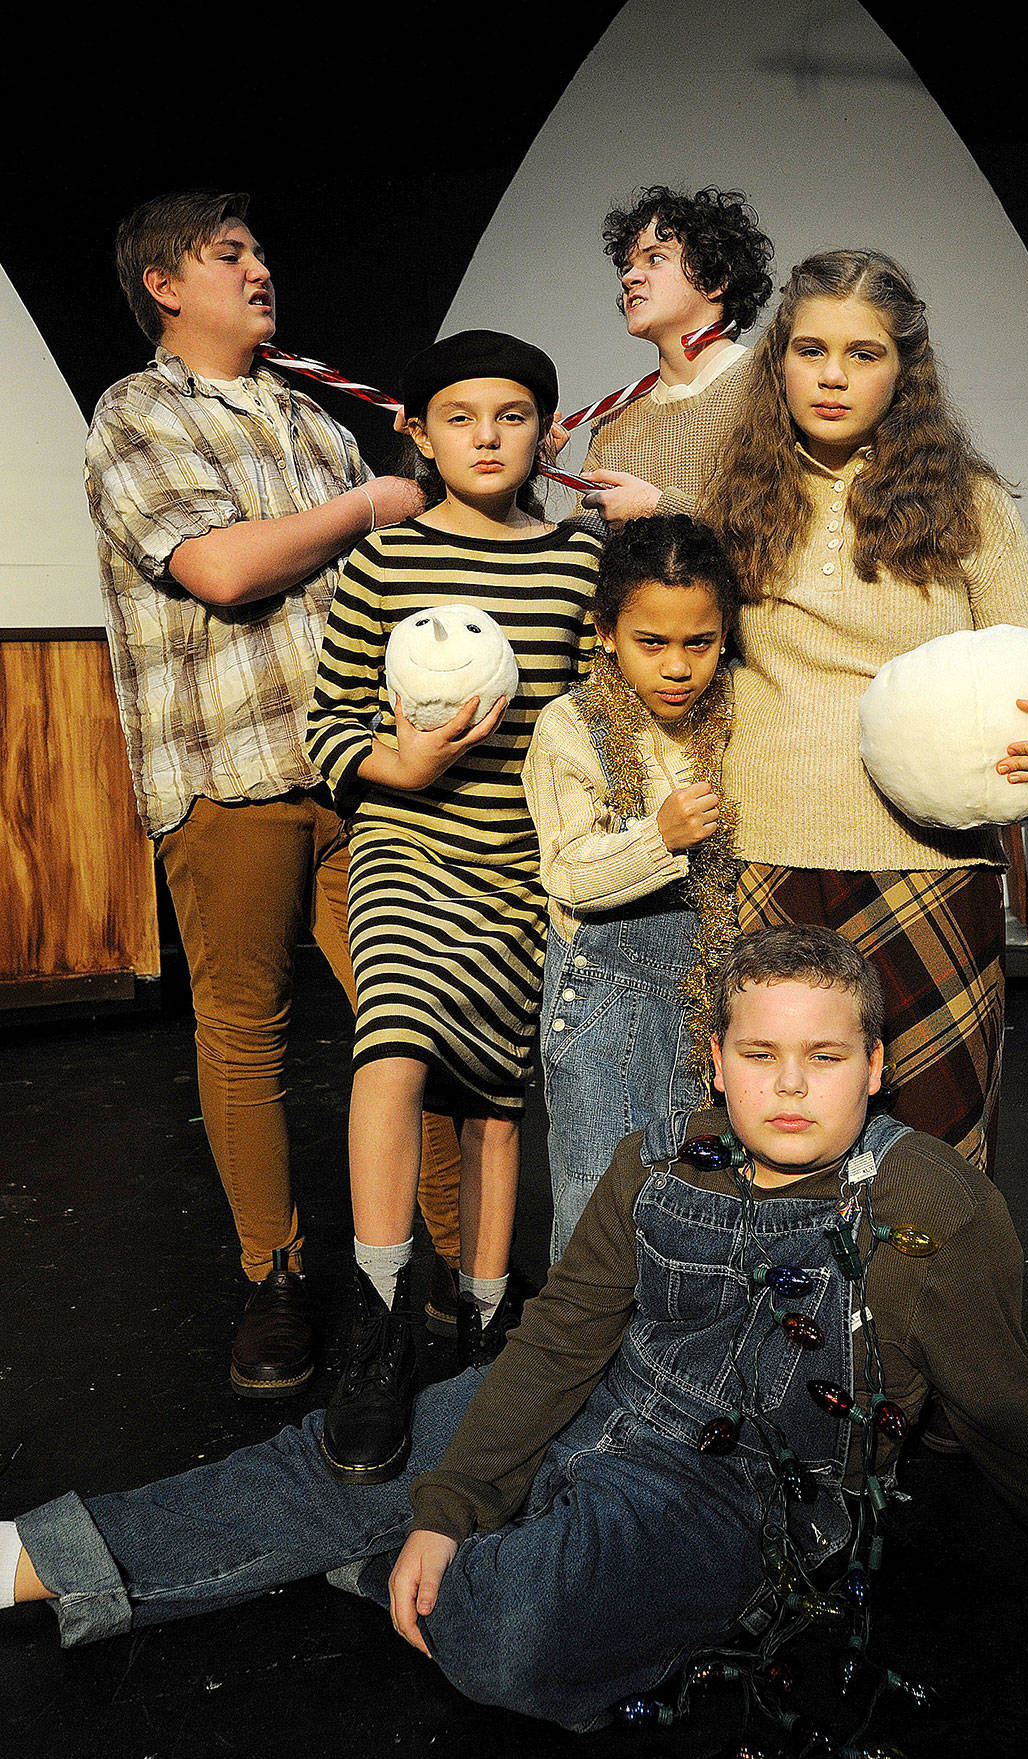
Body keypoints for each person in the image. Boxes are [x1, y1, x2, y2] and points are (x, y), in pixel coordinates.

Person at [2, 928, 1028, 1738]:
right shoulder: (656, 1159)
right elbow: (552, 1345)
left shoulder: (924, 1201)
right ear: (715, 1059)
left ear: (875, 1065)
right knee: (341, 1463)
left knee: (518, 1635)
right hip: (599, 1404)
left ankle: (398, 1568)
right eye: (759, 1056)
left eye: (824, 1056)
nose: (791, 1084)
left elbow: (998, 1398)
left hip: (738, 1490)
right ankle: (33, 1556)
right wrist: (447, 1500)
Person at [85, 189, 461, 1401]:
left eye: (259, 254)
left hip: (357, 770)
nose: (259, 272)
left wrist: (430, 467)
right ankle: (276, 1277)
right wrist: (369, 501)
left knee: (415, 1014)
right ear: (163, 284)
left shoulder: (310, 419)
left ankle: (456, 1265)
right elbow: (224, 566)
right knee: (243, 1031)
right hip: (226, 771)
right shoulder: (136, 414)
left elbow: (389, 575)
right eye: (228, 254)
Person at [700, 249, 1028, 1177]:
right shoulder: (734, 498)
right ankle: (795, 1329)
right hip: (766, 853)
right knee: (777, 1150)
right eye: (810, 349)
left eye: (864, 353)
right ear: (777, 357)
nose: (831, 375)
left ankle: (915, 1329)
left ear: (906, 370)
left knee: (933, 1152)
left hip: (927, 864)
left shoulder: (965, 503)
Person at [304, 330, 600, 1482]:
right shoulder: (385, 560)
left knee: (494, 1098)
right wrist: (404, 764)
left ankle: (481, 1324)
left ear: (546, 431)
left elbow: (589, 722)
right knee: (393, 1045)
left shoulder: (576, 563)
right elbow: (327, 724)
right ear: (417, 434)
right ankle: (376, 1321)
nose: (487, 436)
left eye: (512, 415)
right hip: (409, 851)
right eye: (461, 416)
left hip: (524, 869)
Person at [522, 513, 740, 1258]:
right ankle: (580, 1370)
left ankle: (672, 1368)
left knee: (694, 1198)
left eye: (698, 643)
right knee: (598, 1204)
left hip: (703, 995)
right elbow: (567, 870)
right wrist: (659, 837)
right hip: (606, 1003)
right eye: (652, 643)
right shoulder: (571, 726)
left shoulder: (730, 720)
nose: (677, 667)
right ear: (607, 632)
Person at [552, 185, 773, 527]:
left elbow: (777, 530)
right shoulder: (616, 419)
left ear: (714, 280)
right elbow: (582, 547)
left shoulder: (767, 386)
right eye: (627, 266)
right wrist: (525, 473)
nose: (629, 277)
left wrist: (656, 509)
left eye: (655, 259)